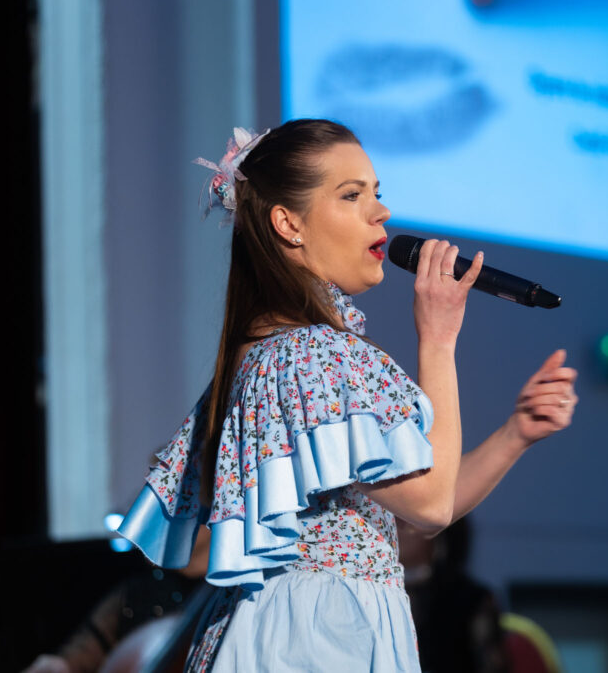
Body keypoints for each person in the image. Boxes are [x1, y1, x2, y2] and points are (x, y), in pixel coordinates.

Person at [116, 119, 578, 672]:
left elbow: (429, 501)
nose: (381, 212)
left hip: (291, 628)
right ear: (288, 224)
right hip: (318, 636)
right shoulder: (310, 353)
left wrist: (515, 433)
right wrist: (438, 338)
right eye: (352, 195)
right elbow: (430, 504)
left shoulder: (271, 350)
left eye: (377, 193)